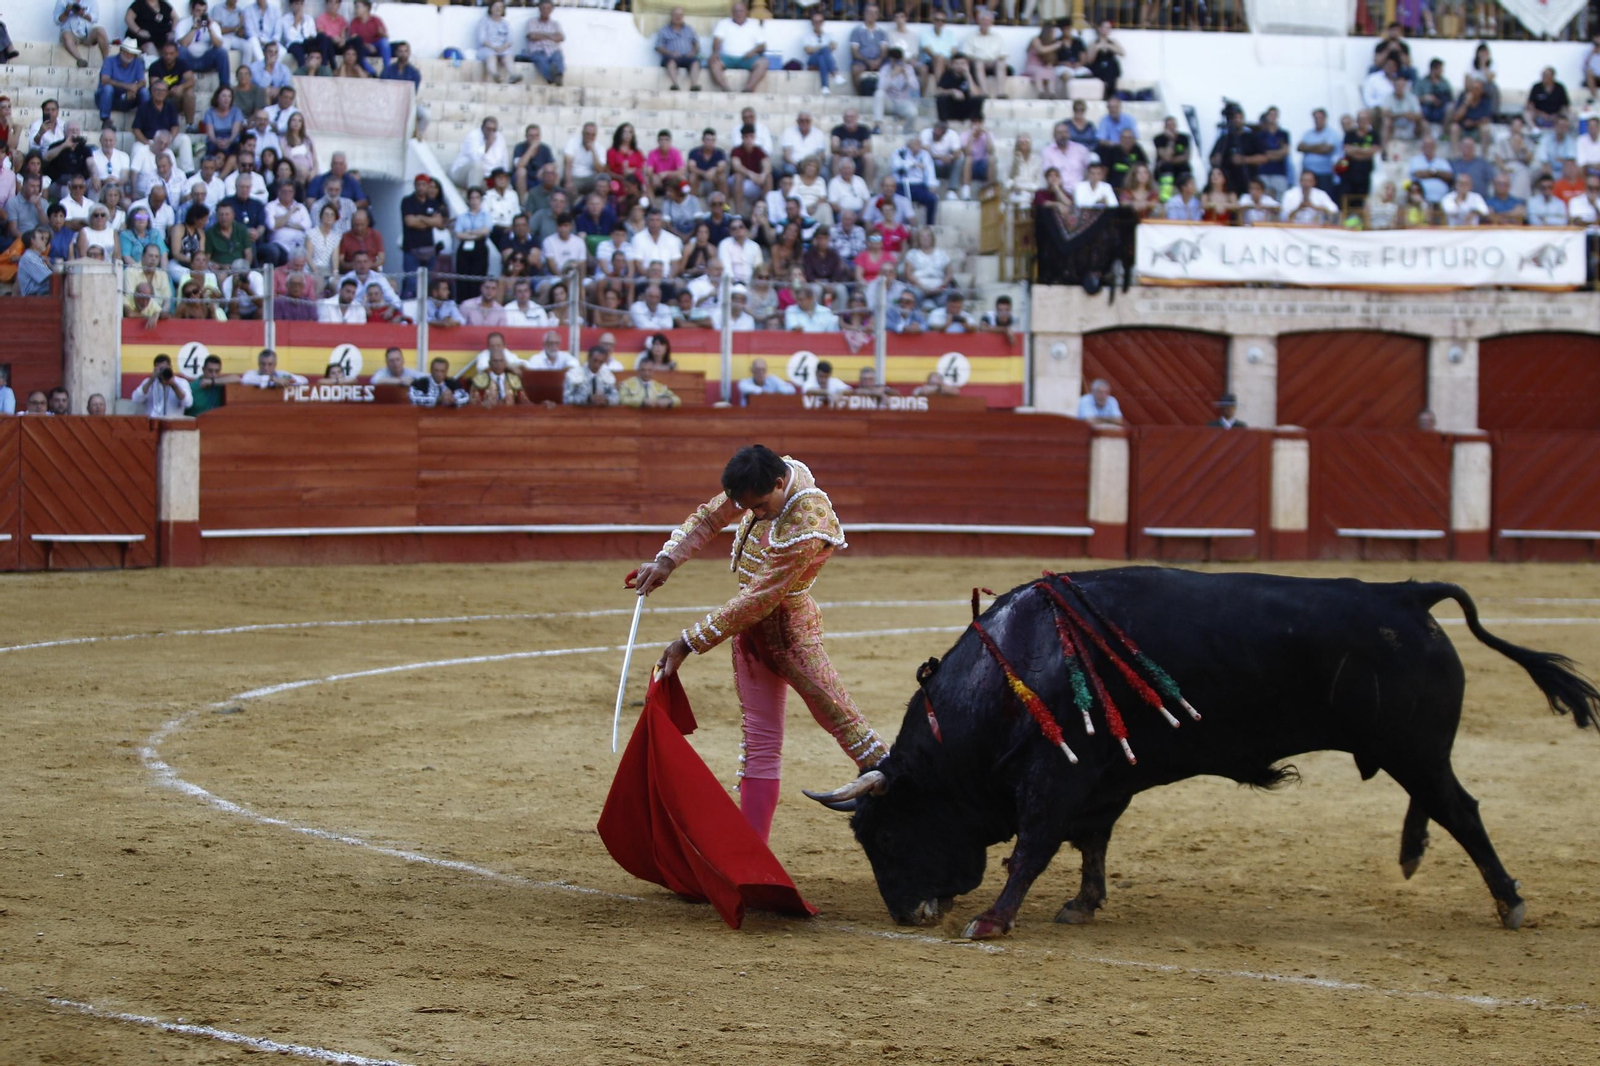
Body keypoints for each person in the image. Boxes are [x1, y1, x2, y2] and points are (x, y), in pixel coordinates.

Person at [634, 445, 889, 842]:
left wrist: (689, 641)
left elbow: (761, 598)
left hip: (791, 635)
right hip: (750, 638)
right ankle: (752, 856)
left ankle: (909, 794)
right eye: (746, 507)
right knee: (758, 744)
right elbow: (711, 516)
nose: (753, 513)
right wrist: (667, 560)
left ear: (779, 483)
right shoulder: (759, 484)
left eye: (759, 505)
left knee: (846, 722)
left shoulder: (808, 518)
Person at [710, 3, 768, 94]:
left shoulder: (754, 24)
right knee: (713, 61)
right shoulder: (724, 23)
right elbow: (717, 41)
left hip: (747, 58)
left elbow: (762, 46)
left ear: (746, 12)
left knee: (763, 62)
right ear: (732, 13)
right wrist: (715, 52)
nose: (738, 13)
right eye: (735, 11)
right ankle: (725, 89)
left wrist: (753, 52)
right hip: (727, 57)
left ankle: (748, 89)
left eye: (741, 11)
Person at [655, 5, 701, 92]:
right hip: (672, 57)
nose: (678, 16)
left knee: (696, 61)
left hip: (687, 56)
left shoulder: (689, 29)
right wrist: (670, 53)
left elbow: (696, 44)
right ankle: (675, 84)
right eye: (676, 14)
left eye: (680, 14)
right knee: (670, 61)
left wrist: (693, 52)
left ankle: (694, 85)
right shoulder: (664, 30)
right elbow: (658, 47)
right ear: (671, 16)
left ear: (683, 16)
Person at [1296, 108, 1340, 197]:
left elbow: (1326, 149)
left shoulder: (1332, 133)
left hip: (1324, 173)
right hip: (1308, 172)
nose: (1317, 120)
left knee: (1324, 197)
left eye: (1319, 118)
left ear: (1325, 119)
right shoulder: (1307, 134)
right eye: (1315, 118)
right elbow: (1299, 147)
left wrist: (1308, 147)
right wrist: (1319, 146)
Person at [477, 0, 520, 85]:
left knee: (508, 56)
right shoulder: (484, 21)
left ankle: (513, 75)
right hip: (488, 48)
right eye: (495, 7)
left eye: (500, 7)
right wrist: (494, 48)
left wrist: (502, 47)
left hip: (502, 49)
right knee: (491, 56)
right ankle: (495, 75)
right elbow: (482, 39)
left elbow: (510, 39)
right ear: (491, 8)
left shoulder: (506, 23)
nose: (498, 9)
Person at [801, 9, 838, 96]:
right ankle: (834, 73)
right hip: (812, 61)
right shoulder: (807, 36)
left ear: (823, 22)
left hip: (823, 61)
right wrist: (824, 48)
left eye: (820, 21)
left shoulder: (829, 35)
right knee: (824, 51)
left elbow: (834, 46)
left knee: (821, 58)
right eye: (815, 21)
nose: (817, 24)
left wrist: (816, 48)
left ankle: (825, 87)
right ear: (812, 23)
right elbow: (807, 50)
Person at [240, 348, 306, 388]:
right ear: (259, 364)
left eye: (270, 364)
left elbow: (303, 380)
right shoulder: (253, 374)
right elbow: (245, 379)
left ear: (275, 365)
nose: (266, 367)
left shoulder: (281, 374)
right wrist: (272, 379)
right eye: (263, 364)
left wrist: (290, 380)